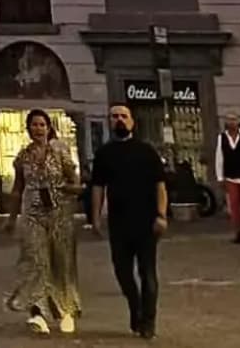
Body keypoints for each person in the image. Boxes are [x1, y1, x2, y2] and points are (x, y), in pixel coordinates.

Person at [86, 104, 167, 340]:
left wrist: (161, 215)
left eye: (123, 116)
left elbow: (160, 186)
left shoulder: (147, 151)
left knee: (148, 273)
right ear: (109, 122)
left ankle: (148, 321)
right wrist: (96, 218)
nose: (119, 120)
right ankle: (136, 306)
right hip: (119, 223)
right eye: (114, 117)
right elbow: (98, 188)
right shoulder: (104, 154)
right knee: (122, 272)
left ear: (132, 121)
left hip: (146, 222)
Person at [8, 107, 84, 335]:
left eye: (42, 125)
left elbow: (76, 183)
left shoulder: (60, 153)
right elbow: (17, 189)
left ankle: (66, 311)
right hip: (32, 215)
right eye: (34, 125)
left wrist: (65, 188)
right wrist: (11, 218)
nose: (38, 129)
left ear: (49, 128)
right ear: (28, 128)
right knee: (36, 263)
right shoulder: (23, 156)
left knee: (62, 264)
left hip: (59, 215)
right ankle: (37, 313)